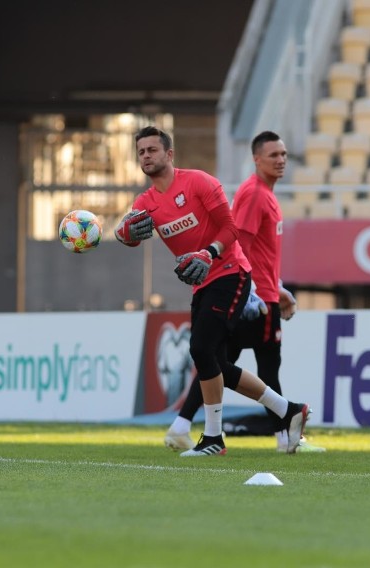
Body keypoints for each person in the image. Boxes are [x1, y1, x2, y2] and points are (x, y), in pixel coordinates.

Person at [115, 126, 310, 456]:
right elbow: (130, 235)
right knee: (215, 361)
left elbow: (232, 227)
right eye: (141, 152)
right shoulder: (145, 202)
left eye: (152, 150)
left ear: (169, 154)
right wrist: (123, 233)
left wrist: (209, 253)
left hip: (230, 272)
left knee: (203, 349)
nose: (146, 156)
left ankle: (214, 438)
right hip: (201, 283)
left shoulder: (199, 182)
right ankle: (288, 410)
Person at [163, 131, 325, 453]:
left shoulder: (264, 193)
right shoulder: (254, 194)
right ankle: (287, 432)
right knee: (236, 360)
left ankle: (182, 426)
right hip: (256, 296)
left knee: (214, 359)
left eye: (283, 154)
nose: (280, 160)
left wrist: (279, 288)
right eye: (273, 155)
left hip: (261, 291)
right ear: (256, 158)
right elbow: (242, 244)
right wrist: (254, 291)